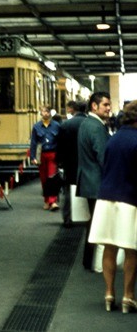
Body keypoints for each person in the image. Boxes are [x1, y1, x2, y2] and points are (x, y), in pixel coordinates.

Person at [87, 99, 137, 313]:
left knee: (109, 246)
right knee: (131, 250)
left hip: (106, 197)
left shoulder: (112, 139)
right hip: (130, 199)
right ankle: (128, 296)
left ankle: (109, 294)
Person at [77, 91, 112, 271]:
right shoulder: (96, 127)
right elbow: (103, 157)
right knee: (97, 224)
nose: (109, 108)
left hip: (88, 180)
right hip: (96, 182)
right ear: (94, 106)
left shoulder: (86, 123)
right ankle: (92, 262)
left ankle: (88, 260)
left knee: (92, 222)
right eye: (105, 105)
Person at [56, 100, 87, 226]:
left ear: (73, 109)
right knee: (87, 190)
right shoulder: (91, 124)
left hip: (70, 163)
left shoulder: (66, 125)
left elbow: (60, 146)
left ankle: (68, 218)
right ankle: (86, 217)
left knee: (69, 190)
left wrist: (60, 162)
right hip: (87, 163)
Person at [30, 104, 61, 211]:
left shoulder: (57, 126)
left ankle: (53, 201)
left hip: (53, 154)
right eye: (43, 111)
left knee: (51, 177)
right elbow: (33, 142)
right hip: (41, 155)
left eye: (47, 111)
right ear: (41, 113)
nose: (45, 113)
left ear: (50, 113)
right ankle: (46, 200)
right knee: (44, 179)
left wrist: (61, 155)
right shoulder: (36, 127)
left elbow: (60, 141)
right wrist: (32, 156)